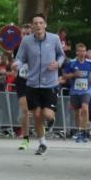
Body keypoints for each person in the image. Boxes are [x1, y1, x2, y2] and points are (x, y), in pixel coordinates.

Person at [14, 13, 64, 155]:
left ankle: (51, 118)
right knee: (36, 114)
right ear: (32, 26)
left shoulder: (54, 39)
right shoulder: (26, 41)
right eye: (35, 23)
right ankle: (42, 143)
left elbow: (61, 55)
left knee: (46, 115)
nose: (38, 26)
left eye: (41, 23)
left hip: (50, 84)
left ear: (45, 25)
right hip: (33, 83)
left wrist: (58, 63)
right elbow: (20, 58)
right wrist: (16, 65)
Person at [63, 43, 91, 143]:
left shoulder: (90, 63)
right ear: (77, 52)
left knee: (85, 109)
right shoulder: (72, 63)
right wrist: (73, 75)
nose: (82, 53)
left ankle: (84, 132)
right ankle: (79, 131)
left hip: (86, 90)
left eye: (84, 51)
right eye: (80, 51)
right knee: (77, 112)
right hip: (75, 91)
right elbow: (64, 75)